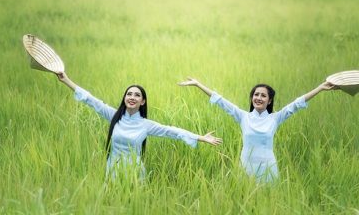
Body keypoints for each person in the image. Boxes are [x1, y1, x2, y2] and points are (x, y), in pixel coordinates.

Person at [56, 72, 222, 180]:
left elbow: (172, 131)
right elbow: (90, 99)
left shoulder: (145, 125)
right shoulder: (114, 116)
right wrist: (66, 80)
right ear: (124, 98)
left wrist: (201, 138)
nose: (132, 97)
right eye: (129, 94)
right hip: (112, 172)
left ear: (142, 101)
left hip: (134, 174)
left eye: (137, 95)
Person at [178, 77, 336, 182]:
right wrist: (198, 84)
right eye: (256, 94)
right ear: (252, 98)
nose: (258, 98)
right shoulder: (243, 117)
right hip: (246, 167)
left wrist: (320, 88)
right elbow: (221, 101)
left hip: (268, 168)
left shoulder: (275, 118)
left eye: (263, 95)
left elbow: (297, 103)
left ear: (269, 100)